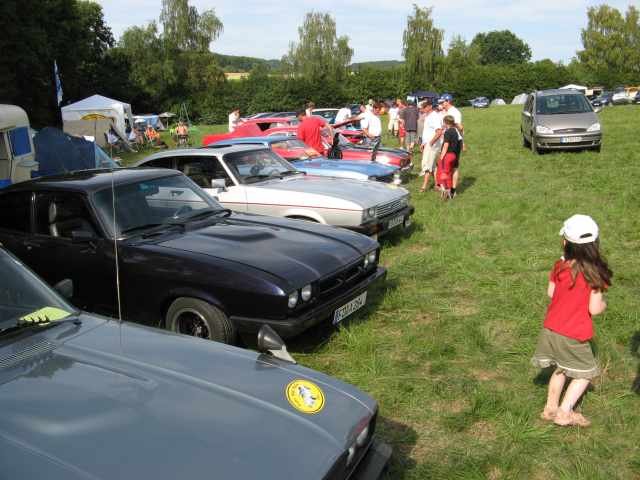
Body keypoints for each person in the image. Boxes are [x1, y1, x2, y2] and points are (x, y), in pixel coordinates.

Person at [531, 214, 612, 427]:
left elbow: (551, 292)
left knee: (560, 367)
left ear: (565, 242)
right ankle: (564, 413)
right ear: (595, 244)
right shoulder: (596, 273)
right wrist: (603, 305)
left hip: (551, 328)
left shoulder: (560, 265)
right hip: (574, 333)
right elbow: (594, 309)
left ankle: (550, 408)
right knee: (586, 373)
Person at [440, 94, 464, 195]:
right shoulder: (447, 111)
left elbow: (460, 127)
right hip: (448, 139)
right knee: (446, 165)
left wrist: (463, 141)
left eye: (443, 102)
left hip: (454, 141)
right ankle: (446, 187)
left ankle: (453, 189)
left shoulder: (454, 112)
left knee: (453, 166)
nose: (441, 104)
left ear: (448, 101)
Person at [419, 101, 443, 192]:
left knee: (427, 165)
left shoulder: (434, 116)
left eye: (424, 107)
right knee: (432, 165)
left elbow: (439, 131)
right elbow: (428, 132)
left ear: (429, 106)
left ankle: (424, 186)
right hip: (428, 143)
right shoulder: (428, 116)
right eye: (421, 108)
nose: (422, 109)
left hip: (432, 144)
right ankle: (437, 184)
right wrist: (424, 143)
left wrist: (431, 143)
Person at [437, 115, 461, 199]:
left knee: (444, 173)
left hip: (447, 155)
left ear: (445, 122)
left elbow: (446, 145)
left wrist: (442, 156)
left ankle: (447, 192)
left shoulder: (447, 132)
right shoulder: (455, 131)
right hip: (454, 155)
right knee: (449, 172)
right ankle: (451, 191)